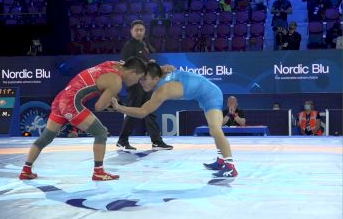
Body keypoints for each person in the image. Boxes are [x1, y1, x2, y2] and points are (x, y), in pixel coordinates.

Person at [18, 57, 147, 181]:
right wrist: (114, 103)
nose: (137, 82)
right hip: (71, 103)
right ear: (132, 72)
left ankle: (26, 170)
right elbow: (99, 106)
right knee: (101, 133)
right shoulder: (116, 82)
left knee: (46, 137)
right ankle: (99, 172)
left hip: (61, 98)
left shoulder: (113, 64)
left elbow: (123, 65)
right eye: (139, 78)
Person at [111, 62, 238, 177]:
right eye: (141, 79)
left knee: (215, 129)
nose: (141, 82)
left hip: (211, 94)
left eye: (144, 79)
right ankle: (221, 161)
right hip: (202, 95)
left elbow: (143, 112)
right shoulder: (161, 72)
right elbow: (152, 65)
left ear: (155, 78)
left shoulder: (162, 90)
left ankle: (230, 166)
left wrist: (119, 107)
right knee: (213, 130)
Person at [117, 20, 173, 151]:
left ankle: (156, 141)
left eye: (141, 29)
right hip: (135, 83)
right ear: (131, 31)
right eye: (136, 29)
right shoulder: (129, 46)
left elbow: (142, 63)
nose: (139, 32)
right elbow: (128, 66)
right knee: (133, 111)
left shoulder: (144, 44)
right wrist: (147, 64)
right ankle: (122, 140)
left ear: (144, 31)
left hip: (145, 83)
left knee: (150, 110)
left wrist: (148, 62)